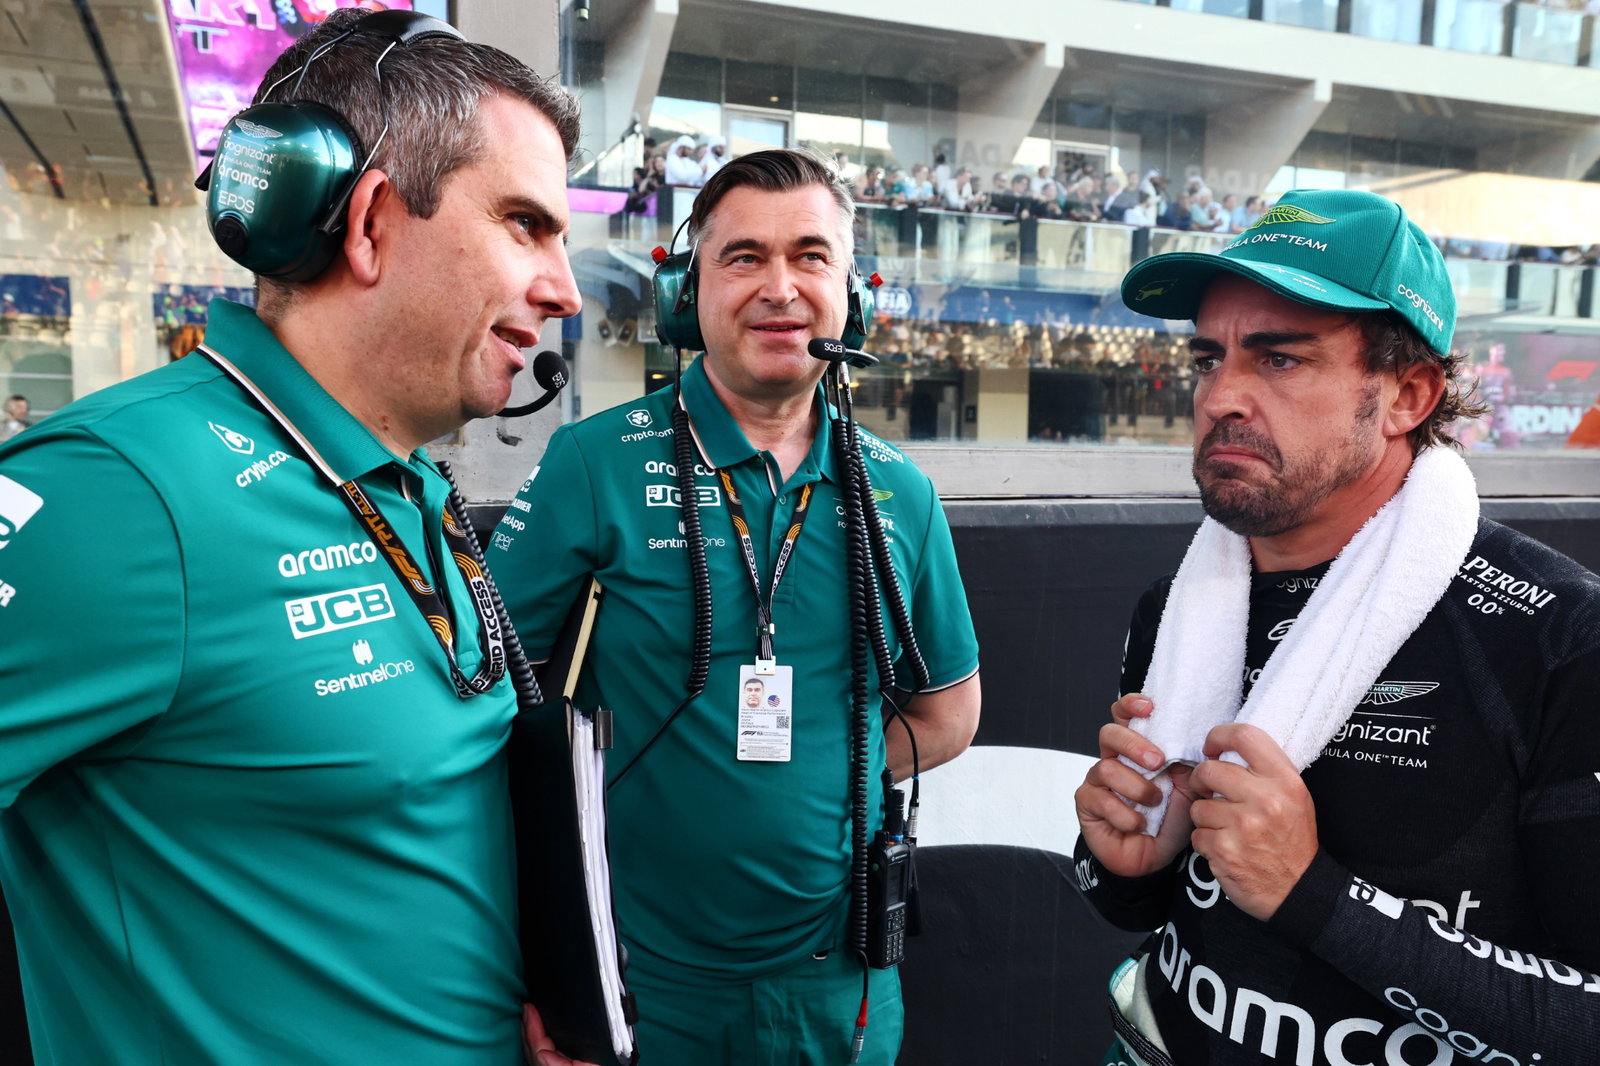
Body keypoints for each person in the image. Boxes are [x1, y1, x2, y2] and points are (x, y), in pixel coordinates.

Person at [0, 10, 591, 1065]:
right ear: (367, 222)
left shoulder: (405, 479)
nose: (564, 288)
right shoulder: (119, 490)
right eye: (524, 225)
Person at [1072, 188, 1600, 1063]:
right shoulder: (1178, 607)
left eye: (1278, 359)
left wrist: (1314, 896)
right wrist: (1128, 872)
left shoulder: (1559, 637)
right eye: (1209, 358)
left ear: (1409, 395)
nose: (1220, 397)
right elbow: (1134, 904)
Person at [492, 148, 982, 1065]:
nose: (780, 287)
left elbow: (949, 713)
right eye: (744, 257)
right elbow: (485, 716)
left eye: (810, 256)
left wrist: (833, 758)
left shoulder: (901, 493)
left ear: (851, 294)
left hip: (845, 989)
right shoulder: (591, 465)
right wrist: (539, 965)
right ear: (691, 293)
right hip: (641, 982)